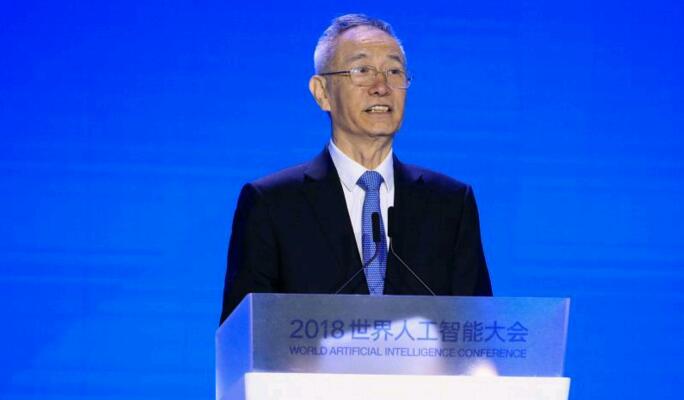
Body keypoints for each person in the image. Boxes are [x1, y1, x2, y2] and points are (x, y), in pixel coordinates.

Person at [220, 14, 492, 324]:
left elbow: (479, 331)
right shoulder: (272, 203)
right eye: (362, 70)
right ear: (322, 93)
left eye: (394, 71)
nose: (381, 87)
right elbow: (243, 335)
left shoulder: (450, 203)